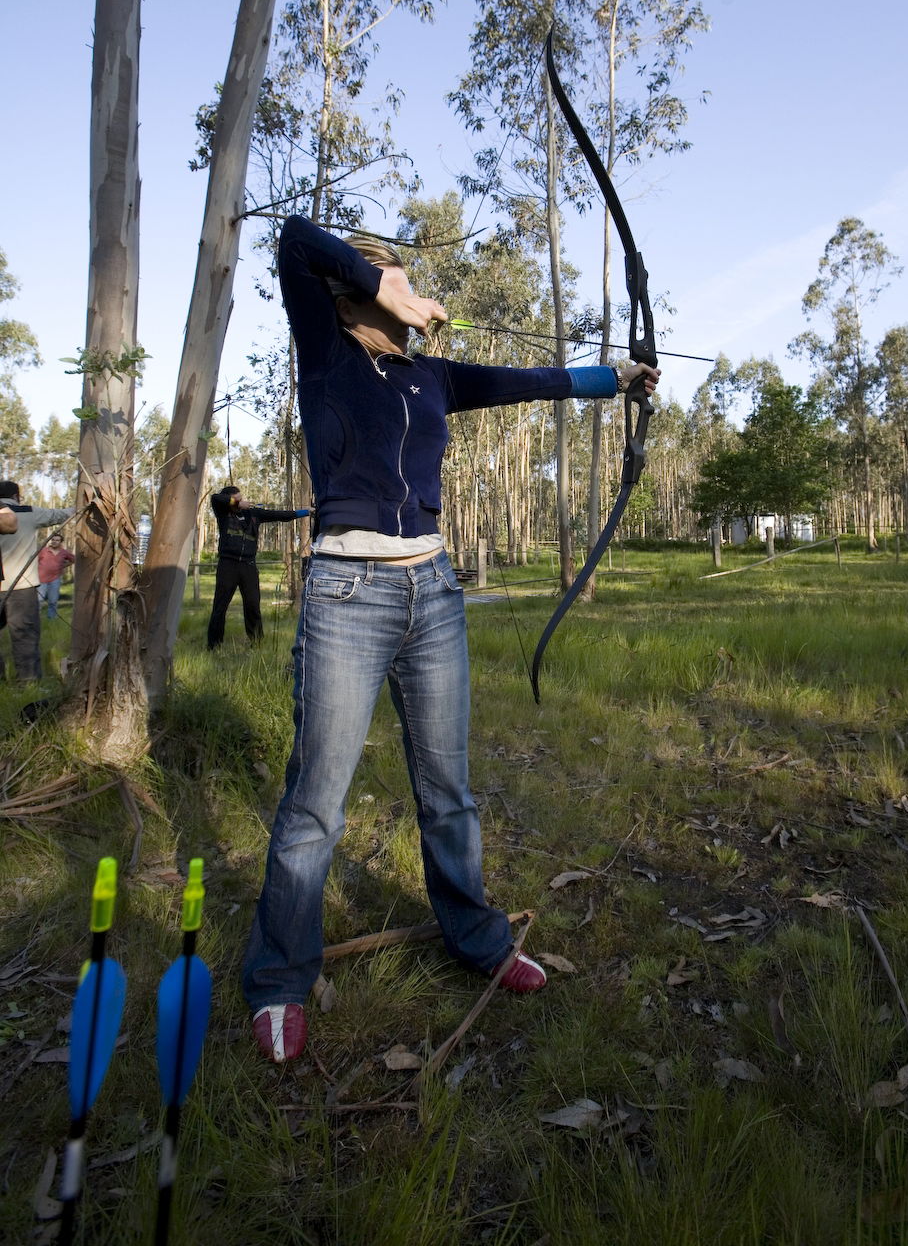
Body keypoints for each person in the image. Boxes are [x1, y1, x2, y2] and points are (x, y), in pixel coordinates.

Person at [242, 215, 661, 1062]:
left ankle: (476, 938)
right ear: (359, 290)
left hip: (432, 589)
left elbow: (524, 380)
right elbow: (292, 237)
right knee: (316, 804)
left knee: (448, 790)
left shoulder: (430, 376)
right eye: (384, 279)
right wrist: (380, 278)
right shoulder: (323, 350)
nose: (406, 289)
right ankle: (279, 981)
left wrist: (613, 377)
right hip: (347, 589)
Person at [206, 487, 310, 649]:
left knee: (253, 605)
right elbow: (216, 498)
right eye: (236, 499)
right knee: (220, 606)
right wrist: (237, 504)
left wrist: (306, 512)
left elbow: (279, 515)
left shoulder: (254, 514)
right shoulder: (223, 512)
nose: (240, 500)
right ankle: (213, 645)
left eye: (241, 498)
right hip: (228, 565)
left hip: (248, 566)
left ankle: (257, 642)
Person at [0, 482, 75, 684]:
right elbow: (61, 514)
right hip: (21, 587)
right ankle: (28, 682)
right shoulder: (28, 512)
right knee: (24, 635)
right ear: (16, 496)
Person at [37, 535, 74, 620]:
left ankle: (52, 618)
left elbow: (73, 559)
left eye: (57, 540)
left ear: (61, 542)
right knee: (39, 600)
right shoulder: (43, 551)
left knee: (53, 601)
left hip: (55, 580)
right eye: (53, 540)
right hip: (41, 579)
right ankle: (36, 618)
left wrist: (63, 566)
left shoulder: (64, 552)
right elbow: (35, 561)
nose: (54, 541)